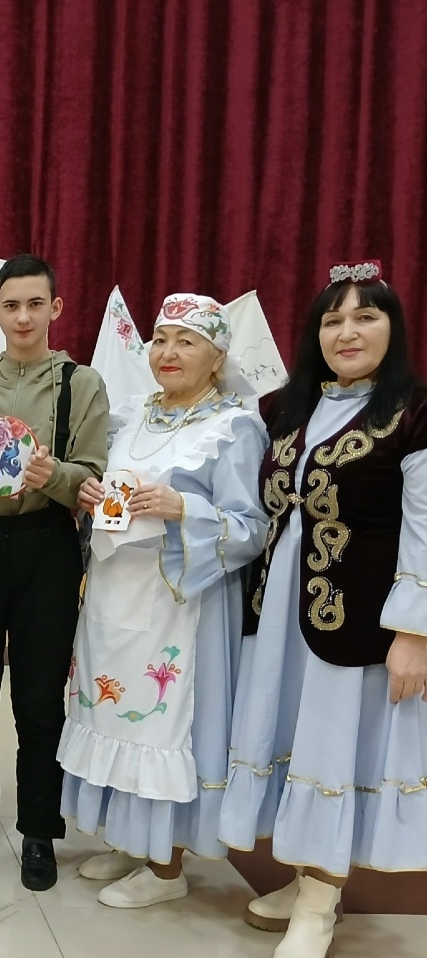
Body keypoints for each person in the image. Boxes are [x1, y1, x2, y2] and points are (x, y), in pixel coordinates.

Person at [218, 262, 427, 958]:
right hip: (279, 611)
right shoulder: (286, 408)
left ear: (393, 328)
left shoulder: (413, 412)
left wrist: (414, 632)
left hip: (360, 618)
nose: (348, 332)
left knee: (334, 747)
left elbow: (425, 528)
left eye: (366, 316)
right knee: (290, 739)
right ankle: (307, 873)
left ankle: (320, 901)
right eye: (333, 319)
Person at [59, 294, 269, 908]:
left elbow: (251, 528)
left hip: (179, 602)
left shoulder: (234, 428)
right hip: (111, 593)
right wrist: (89, 495)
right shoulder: (129, 416)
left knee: (161, 723)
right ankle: (134, 840)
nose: (168, 353)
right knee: (111, 713)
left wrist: (184, 508)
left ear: (217, 356)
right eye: (160, 340)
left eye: (186, 341)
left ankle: (167, 866)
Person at [0, 253, 110, 888]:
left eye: (36, 304)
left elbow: (92, 477)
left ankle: (39, 828)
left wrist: (52, 474)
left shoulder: (80, 384)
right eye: (12, 305)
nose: (24, 316)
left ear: (55, 308)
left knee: (39, 696)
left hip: (47, 546)